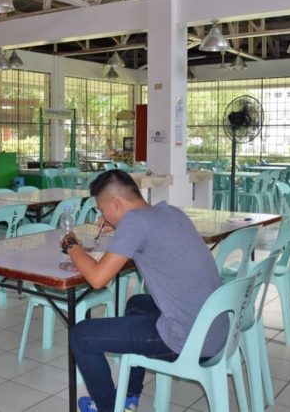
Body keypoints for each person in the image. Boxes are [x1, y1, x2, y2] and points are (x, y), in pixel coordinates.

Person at [62, 169, 227, 412]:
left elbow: (98, 279)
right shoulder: (169, 212)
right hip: (216, 327)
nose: (102, 215)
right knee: (137, 303)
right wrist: (121, 230)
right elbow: (148, 237)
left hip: (189, 339)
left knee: (80, 336)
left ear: (116, 203)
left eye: (102, 209)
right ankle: (128, 397)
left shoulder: (134, 223)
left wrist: (72, 246)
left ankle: (108, 408)